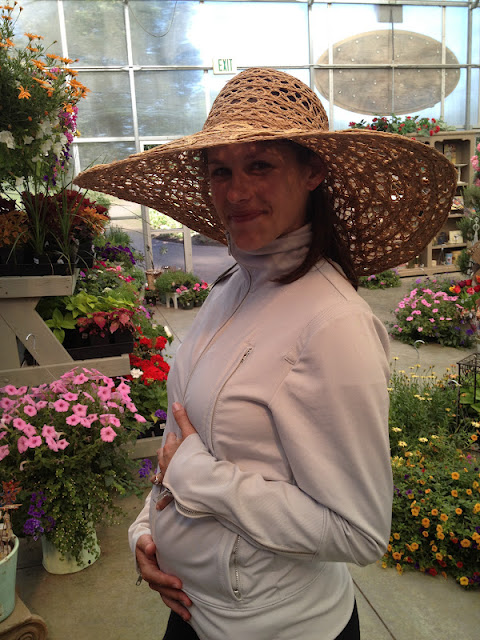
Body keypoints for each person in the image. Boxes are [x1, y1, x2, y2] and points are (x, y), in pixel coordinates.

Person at [74, 68, 457, 640]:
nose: (236, 192)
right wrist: (146, 532)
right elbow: (183, 443)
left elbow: (359, 531)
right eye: (221, 170)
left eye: (260, 165)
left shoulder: (334, 324)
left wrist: (199, 478)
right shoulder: (230, 288)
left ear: (312, 172)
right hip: (192, 610)